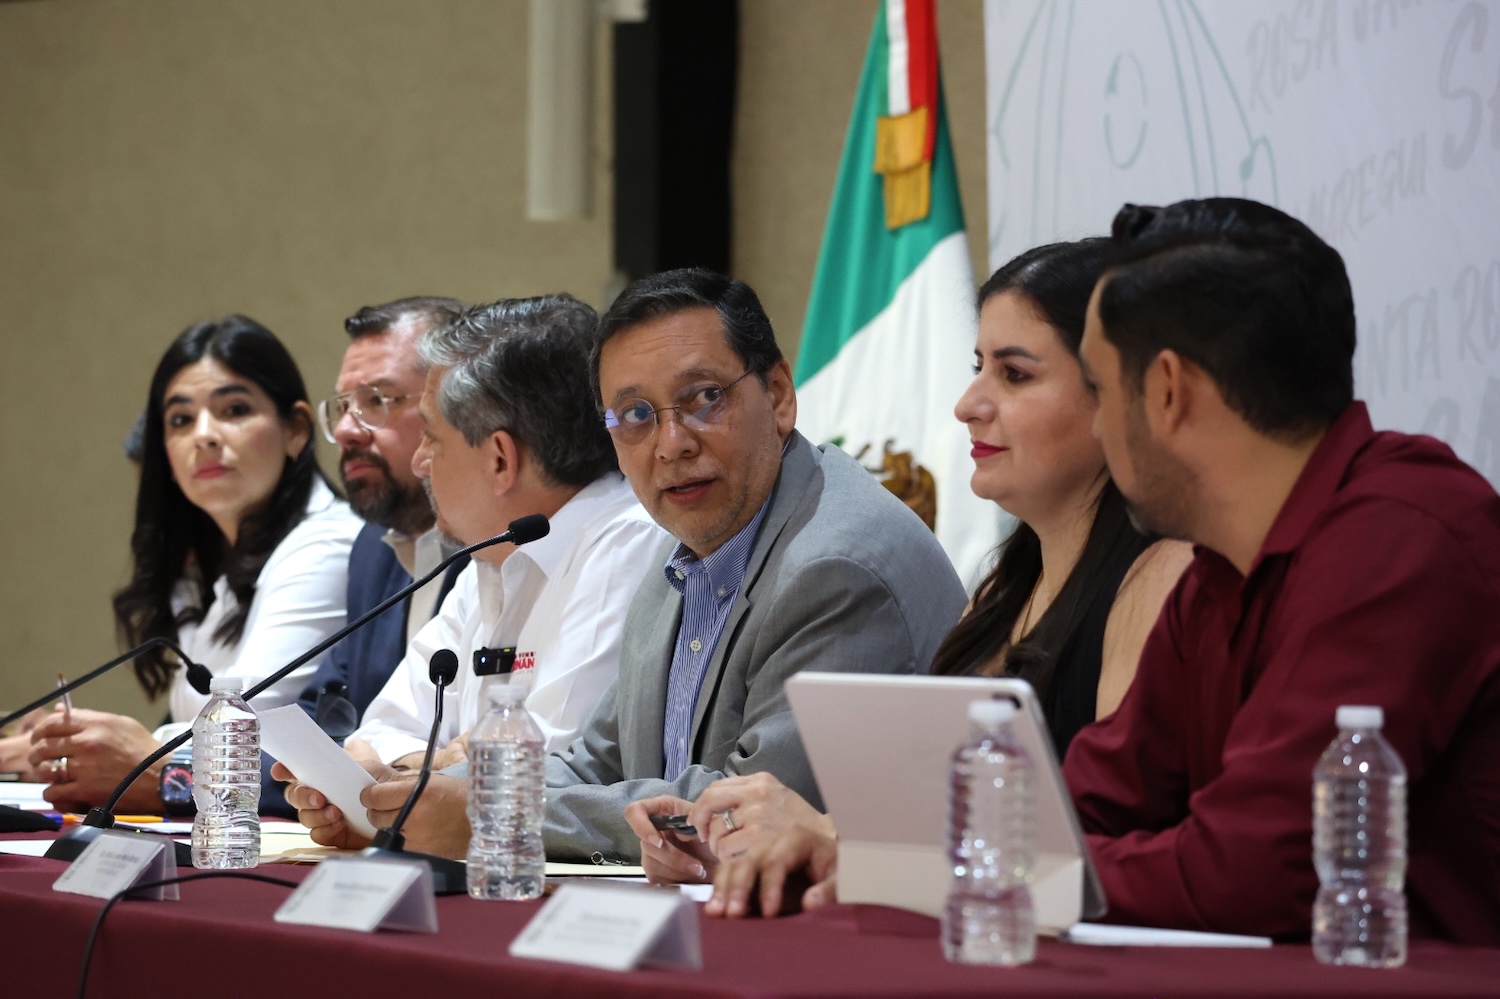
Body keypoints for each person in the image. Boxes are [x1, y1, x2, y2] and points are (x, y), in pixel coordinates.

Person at [627, 241, 1192, 916]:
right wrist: (786, 841)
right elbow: (935, 819)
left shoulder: (1164, 578)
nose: (968, 404)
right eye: (979, 369)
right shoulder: (1003, 591)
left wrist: (832, 838)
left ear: (1118, 395)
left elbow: (1097, 847)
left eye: (1014, 375)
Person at [1065, 197, 1500, 943]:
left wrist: (1027, 871)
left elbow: (1254, 871)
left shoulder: (1401, 533)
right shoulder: (1216, 572)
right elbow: (1089, 801)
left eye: (1099, 391)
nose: (1098, 427)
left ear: (1168, 391)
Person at [530, 267, 967, 864]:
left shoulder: (835, 568)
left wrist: (491, 810)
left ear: (779, 395)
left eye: (705, 398)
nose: (672, 443)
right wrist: (434, 793)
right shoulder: (683, 561)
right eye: (635, 415)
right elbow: (595, 764)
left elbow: (742, 819)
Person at [275, 295, 668, 855]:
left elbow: (549, 770)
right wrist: (431, 767)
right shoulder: (492, 554)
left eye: (431, 438)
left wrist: (410, 777)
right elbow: (376, 736)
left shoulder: (628, 542)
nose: (420, 462)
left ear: (500, 458)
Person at [29, 315, 361, 812]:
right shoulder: (219, 563)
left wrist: (132, 750)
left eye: (234, 410)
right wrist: (70, 750)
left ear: (295, 429)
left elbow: (244, 723)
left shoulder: (329, 541)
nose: (204, 435)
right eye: (181, 420)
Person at [296, 296, 469, 733]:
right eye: (343, 407)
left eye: (376, 400)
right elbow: (323, 717)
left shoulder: (499, 542)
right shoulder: (372, 549)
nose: (345, 431)